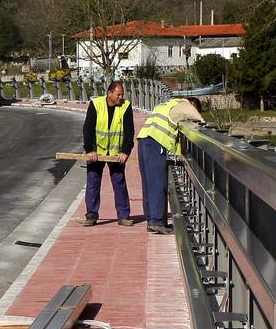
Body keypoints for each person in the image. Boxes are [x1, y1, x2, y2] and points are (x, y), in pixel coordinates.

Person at [137, 95, 204, 234]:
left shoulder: (168, 104)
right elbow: (194, 114)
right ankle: (157, 222)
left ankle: (152, 220)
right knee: (158, 183)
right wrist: (202, 123)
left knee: (149, 184)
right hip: (155, 141)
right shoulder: (183, 105)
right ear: (192, 103)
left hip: (144, 139)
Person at [80, 80, 135, 226]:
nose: (120, 98)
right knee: (93, 181)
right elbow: (88, 129)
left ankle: (123, 216)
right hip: (96, 152)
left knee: (119, 182)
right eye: (118, 94)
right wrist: (90, 149)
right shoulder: (96, 104)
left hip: (116, 153)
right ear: (109, 93)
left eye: (122, 95)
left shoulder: (126, 107)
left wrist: (125, 151)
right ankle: (91, 215)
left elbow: (129, 132)